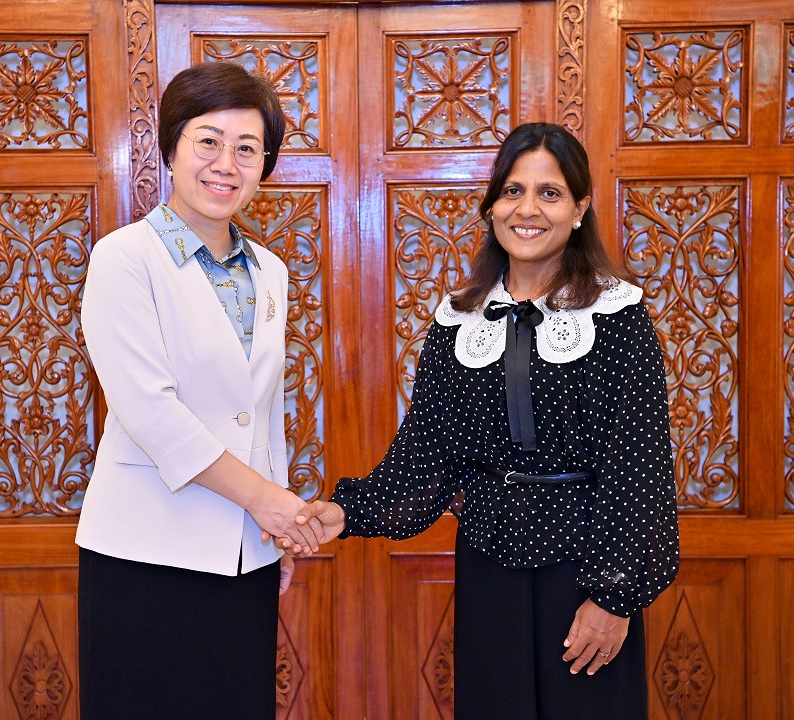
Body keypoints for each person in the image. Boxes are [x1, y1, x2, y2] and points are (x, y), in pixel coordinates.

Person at [290, 122, 679, 719]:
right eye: (512, 191)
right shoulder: (458, 321)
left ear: (580, 209)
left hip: (585, 569)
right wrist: (348, 510)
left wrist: (614, 596)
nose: (528, 209)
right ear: (492, 205)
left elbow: (639, 466)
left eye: (549, 193)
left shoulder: (618, 316)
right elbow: (428, 454)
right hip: (489, 563)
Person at [76, 61, 321, 719]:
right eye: (207, 141)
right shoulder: (125, 258)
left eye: (247, 149)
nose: (226, 164)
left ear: (264, 165)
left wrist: (269, 527)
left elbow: (262, 409)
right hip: (142, 552)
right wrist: (269, 501)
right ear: (171, 148)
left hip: (242, 551)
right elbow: (149, 410)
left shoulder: (269, 271)